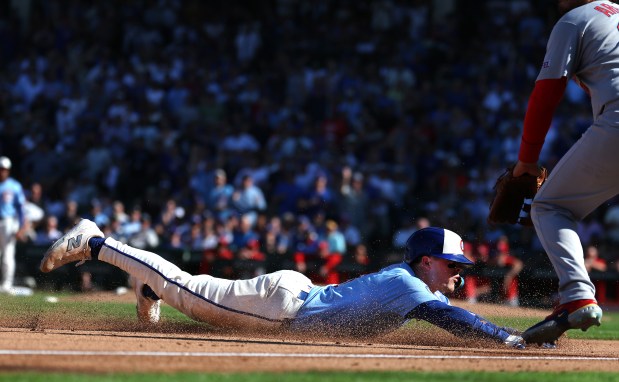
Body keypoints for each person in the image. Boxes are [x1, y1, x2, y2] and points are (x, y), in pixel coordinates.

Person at [39, 219, 526, 348]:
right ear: (425, 262)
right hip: (285, 309)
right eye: (450, 262)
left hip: (290, 298)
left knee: (189, 290)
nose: (459, 271)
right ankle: (97, 241)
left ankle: (150, 286)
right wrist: (506, 337)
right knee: (186, 290)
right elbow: (451, 318)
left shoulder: (409, 282)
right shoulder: (412, 287)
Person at [511, 0, 614, 344]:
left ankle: (577, 297)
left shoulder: (575, 20)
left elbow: (546, 93)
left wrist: (526, 159)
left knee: (551, 207)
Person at [0, 156, 30, 295]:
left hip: (8, 221)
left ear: (8, 170)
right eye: (1, 169)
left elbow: (20, 208)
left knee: (8, 254)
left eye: (4, 169)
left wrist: (22, 226)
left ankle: (6, 284)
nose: (2, 171)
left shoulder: (14, 186)